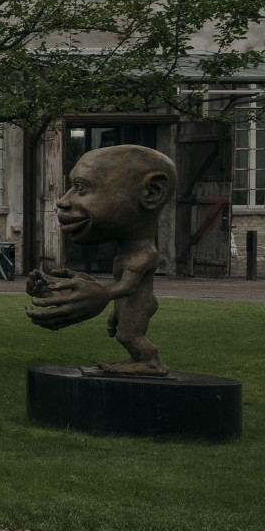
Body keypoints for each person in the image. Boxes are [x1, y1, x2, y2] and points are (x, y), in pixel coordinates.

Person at [25, 144, 174, 375]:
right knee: (125, 334)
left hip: (140, 304)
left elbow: (127, 286)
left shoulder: (143, 254)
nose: (63, 201)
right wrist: (75, 286)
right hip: (130, 303)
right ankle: (136, 360)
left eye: (81, 188)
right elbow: (124, 289)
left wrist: (101, 295)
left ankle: (150, 362)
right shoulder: (126, 253)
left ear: (151, 192)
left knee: (129, 335)